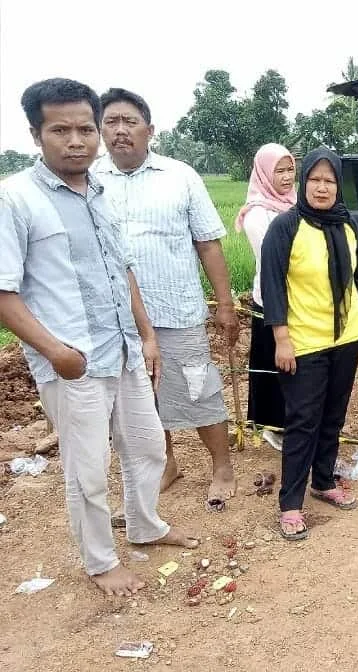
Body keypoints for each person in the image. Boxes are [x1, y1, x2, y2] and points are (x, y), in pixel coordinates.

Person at [0, 78, 198, 596]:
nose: (76, 141)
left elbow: (122, 270)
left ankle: (146, 526)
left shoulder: (101, 191)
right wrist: (55, 352)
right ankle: (100, 562)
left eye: (85, 129)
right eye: (59, 130)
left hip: (125, 349)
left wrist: (147, 336)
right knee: (88, 470)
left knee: (148, 446)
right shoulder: (16, 199)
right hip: (74, 361)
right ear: (35, 134)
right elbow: (3, 292)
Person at [94, 88, 238, 511]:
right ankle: (168, 463)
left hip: (176, 311)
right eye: (111, 122)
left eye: (129, 121)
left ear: (149, 130)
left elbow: (208, 244)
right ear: (101, 130)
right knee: (142, 398)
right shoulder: (91, 179)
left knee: (199, 390)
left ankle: (222, 467)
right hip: (117, 320)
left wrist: (225, 305)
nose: (120, 130)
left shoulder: (180, 176)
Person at [261, 147, 358, 540]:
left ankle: (324, 481)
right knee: (302, 421)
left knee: (333, 415)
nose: (322, 188)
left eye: (330, 181)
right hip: (303, 340)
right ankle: (291, 503)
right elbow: (272, 285)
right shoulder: (286, 227)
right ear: (304, 183)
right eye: (315, 180)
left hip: (346, 336)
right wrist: (281, 338)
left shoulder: (347, 225)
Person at [235, 143, 297, 451]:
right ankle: (273, 426)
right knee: (273, 364)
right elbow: (275, 259)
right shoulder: (257, 214)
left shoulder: (295, 204)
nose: (286, 178)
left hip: (300, 298)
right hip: (271, 298)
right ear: (263, 173)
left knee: (295, 362)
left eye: (290, 170)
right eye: (279, 171)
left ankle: (292, 420)